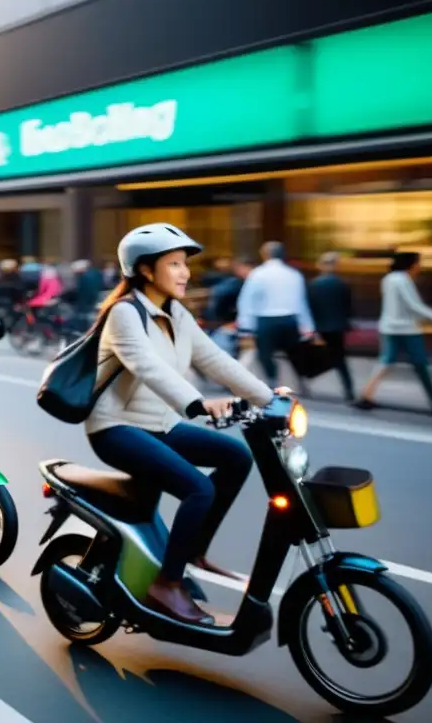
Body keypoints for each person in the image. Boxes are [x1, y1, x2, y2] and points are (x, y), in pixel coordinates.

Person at [85, 223, 276, 625]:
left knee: (236, 457)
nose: (185, 272)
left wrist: (270, 398)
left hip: (159, 424)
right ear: (145, 271)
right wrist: (198, 403)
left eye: (185, 264)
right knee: (198, 488)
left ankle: (191, 551)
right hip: (116, 428)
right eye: (174, 264)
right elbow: (146, 366)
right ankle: (166, 585)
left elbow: (216, 361)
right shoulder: (125, 313)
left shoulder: (176, 314)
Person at [355, 251, 432, 416]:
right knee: (421, 366)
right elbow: (415, 306)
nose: (420, 267)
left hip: (388, 328)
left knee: (384, 362)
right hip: (407, 330)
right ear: (411, 264)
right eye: (418, 263)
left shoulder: (388, 279)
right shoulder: (403, 280)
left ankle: (366, 396)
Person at [236, 242, 316, 389]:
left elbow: (247, 301)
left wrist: (246, 327)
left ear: (264, 255)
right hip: (290, 319)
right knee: (294, 353)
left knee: (265, 354)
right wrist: (308, 325)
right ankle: (301, 379)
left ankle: (273, 380)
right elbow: (301, 302)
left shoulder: (258, 274)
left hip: (266, 320)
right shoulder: (294, 274)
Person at [308, 252, 355, 402]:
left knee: (312, 356)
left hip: (320, 327)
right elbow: (348, 307)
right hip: (337, 327)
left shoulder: (314, 284)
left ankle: (305, 384)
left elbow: (311, 307)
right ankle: (349, 389)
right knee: (340, 359)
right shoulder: (342, 284)